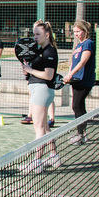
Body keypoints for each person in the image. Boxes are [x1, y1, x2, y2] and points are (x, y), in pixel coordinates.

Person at [21, 21, 61, 173]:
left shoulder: (49, 51)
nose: (35, 37)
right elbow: (34, 70)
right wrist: (27, 71)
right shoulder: (40, 51)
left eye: (38, 34)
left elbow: (49, 75)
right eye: (34, 34)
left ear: (47, 35)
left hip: (42, 90)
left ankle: (37, 162)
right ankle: (54, 156)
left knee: (38, 128)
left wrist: (30, 70)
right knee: (45, 127)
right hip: (38, 89)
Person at [64, 20, 96, 145]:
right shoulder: (79, 45)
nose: (76, 34)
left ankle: (80, 135)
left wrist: (71, 74)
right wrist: (69, 75)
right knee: (79, 106)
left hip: (84, 80)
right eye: (74, 32)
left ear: (85, 31)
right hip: (76, 80)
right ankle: (82, 134)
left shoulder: (88, 44)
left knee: (76, 106)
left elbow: (83, 62)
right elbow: (74, 63)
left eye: (78, 31)